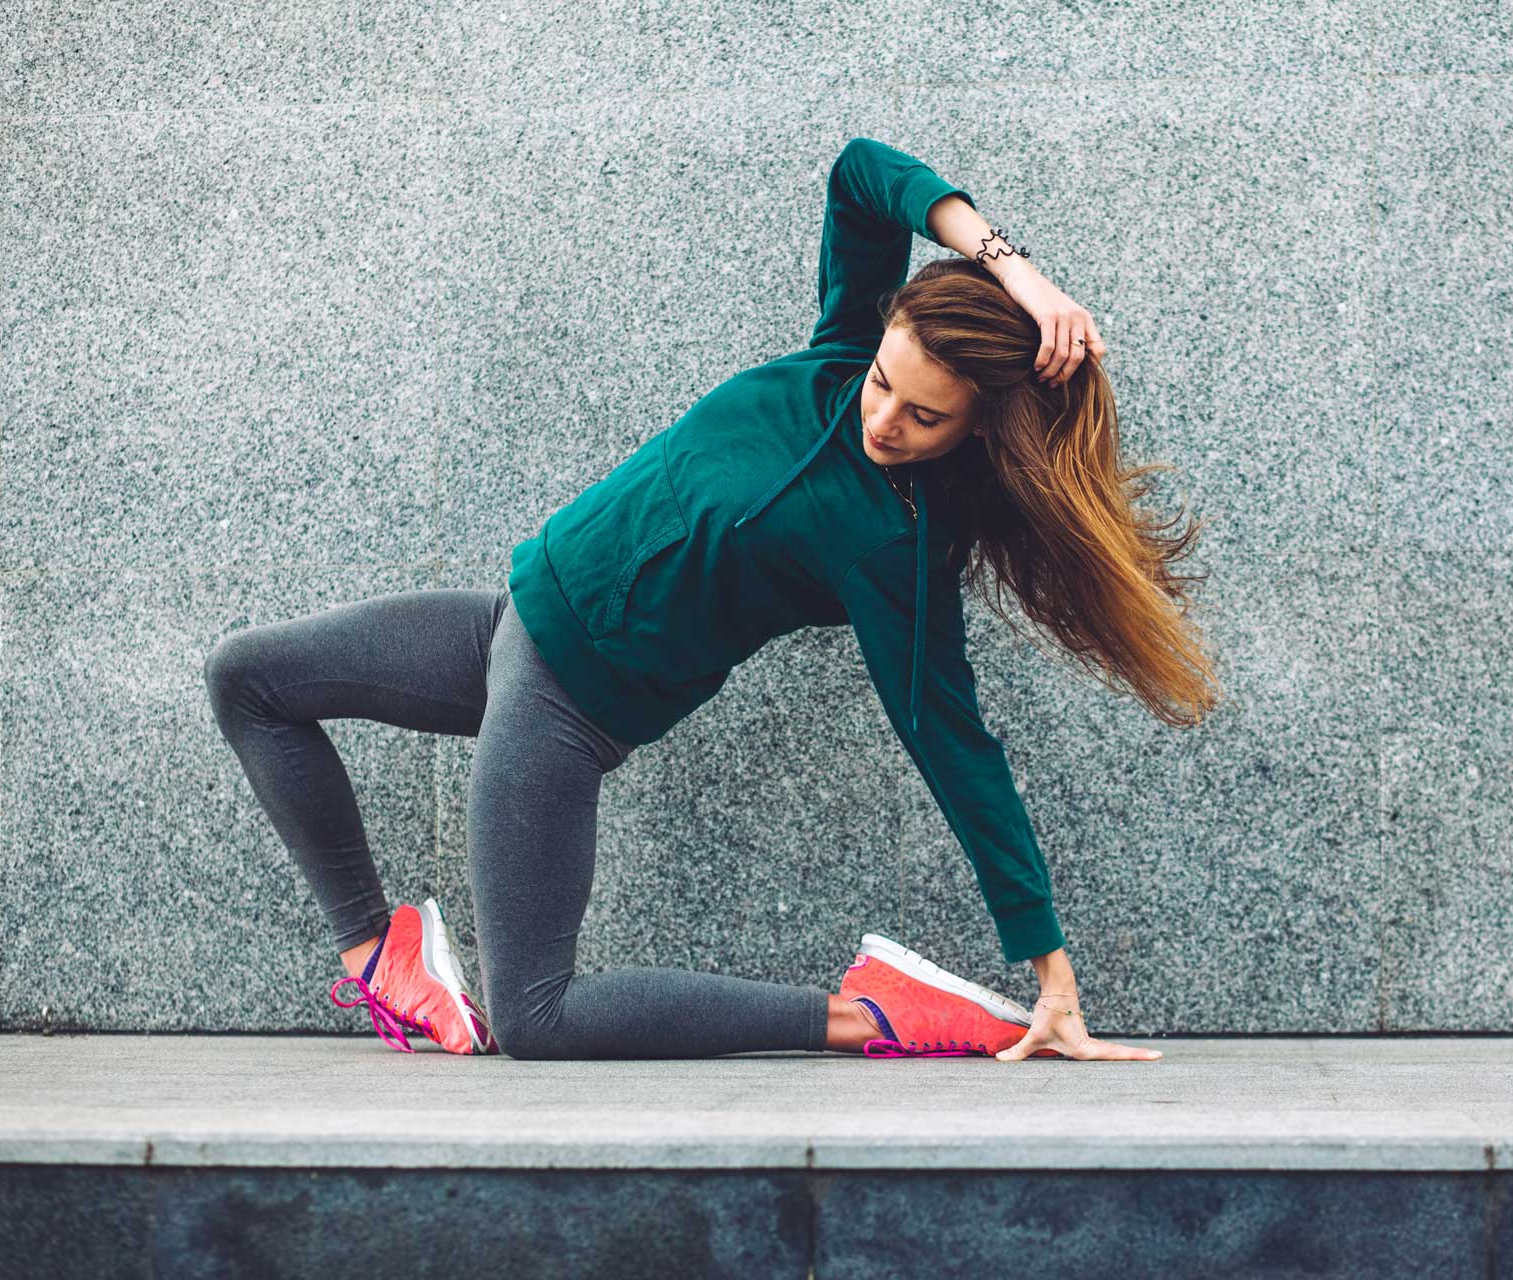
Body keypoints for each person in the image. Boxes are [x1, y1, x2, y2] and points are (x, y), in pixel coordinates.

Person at [204, 136, 1220, 1064]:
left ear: (976, 430)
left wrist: (1047, 961)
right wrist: (1012, 264)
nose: (883, 420)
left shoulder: (893, 546)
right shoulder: (834, 360)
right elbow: (863, 174)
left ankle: (870, 1013)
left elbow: (952, 740)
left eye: (923, 417)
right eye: (883, 384)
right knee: (247, 677)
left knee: (537, 1014)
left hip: (566, 701)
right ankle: (383, 952)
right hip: (508, 620)